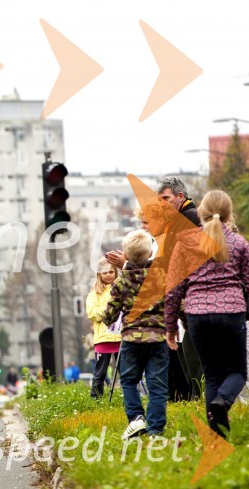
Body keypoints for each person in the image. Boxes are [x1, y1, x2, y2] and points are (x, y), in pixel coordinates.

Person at [107, 177, 204, 402]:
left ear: (181, 197)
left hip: (185, 302)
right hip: (177, 305)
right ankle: (191, 402)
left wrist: (130, 265)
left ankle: (198, 403)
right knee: (184, 363)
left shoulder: (188, 220)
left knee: (191, 363)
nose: (162, 204)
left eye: (166, 199)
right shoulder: (180, 220)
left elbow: (169, 263)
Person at [165, 190, 249, 438]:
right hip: (231, 313)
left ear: (201, 212)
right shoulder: (240, 244)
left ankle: (216, 435)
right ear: (228, 213)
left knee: (211, 374)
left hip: (197, 316)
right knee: (238, 372)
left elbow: (173, 290)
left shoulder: (186, 244)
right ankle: (222, 402)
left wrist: (170, 327)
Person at [102, 229, 169, 439]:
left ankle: (136, 419)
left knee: (129, 381)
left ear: (126, 256)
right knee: (157, 385)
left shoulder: (121, 282)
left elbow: (110, 314)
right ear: (150, 254)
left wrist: (108, 319)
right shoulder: (161, 277)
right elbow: (174, 303)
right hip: (158, 338)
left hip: (131, 340)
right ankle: (156, 429)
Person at [86, 258, 121, 398]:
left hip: (120, 337)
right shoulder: (94, 293)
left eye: (111, 271)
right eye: (105, 272)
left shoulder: (121, 288)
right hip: (103, 339)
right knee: (99, 373)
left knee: (125, 371)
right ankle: (96, 399)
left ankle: (129, 398)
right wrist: (109, 309)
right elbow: (92, 314)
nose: (108, 275)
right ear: (99, 274)